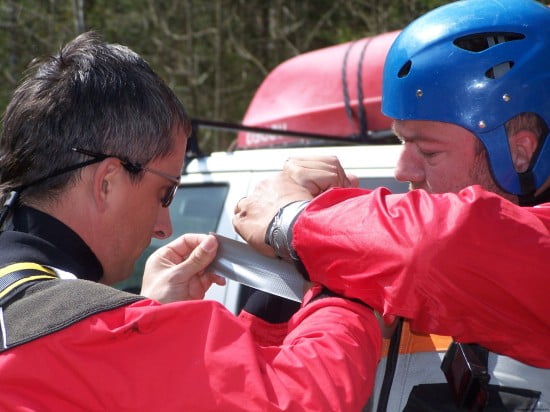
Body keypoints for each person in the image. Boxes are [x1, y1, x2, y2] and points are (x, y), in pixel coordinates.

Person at [0, 31, 383, 411]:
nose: (164, 227)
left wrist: (147, 313)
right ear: (107, 183)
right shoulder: (88, 330)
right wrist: (349, 270)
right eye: (165, 193)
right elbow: (300, 400)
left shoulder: (44, 319)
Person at [233, 0, 550, 410]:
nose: (402, 170)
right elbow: (264, 388)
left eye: (428, 151)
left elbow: (443, 247)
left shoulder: (451, 252)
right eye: (400, 141)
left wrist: (293, 220)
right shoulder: (392, 246)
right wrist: (308, 265)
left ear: (519, 153)